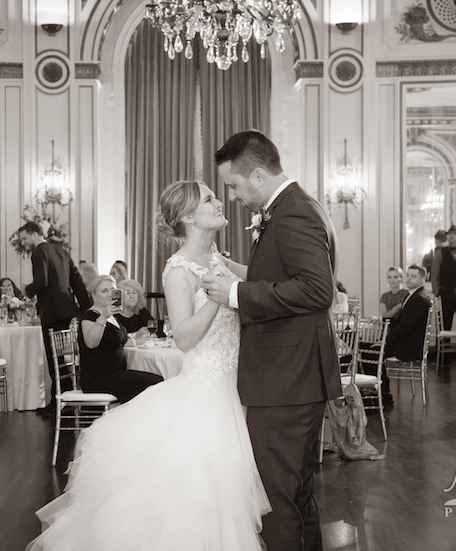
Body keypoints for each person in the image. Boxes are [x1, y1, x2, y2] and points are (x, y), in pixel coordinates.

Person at [26, 180, 268, 551]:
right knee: (204, 493)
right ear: (188, 216)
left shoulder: (217, 257)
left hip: (235, 383)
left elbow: (259, 277)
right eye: (209, 199)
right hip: (208, 393)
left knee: (226, 491)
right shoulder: (178, 271)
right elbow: (185, 338)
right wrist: (217, 299)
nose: (220, 202)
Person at [203, 130, 341, 551]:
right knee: (294, 492)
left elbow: (319, 290)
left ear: (258, 175)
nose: (233, 196)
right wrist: (237, 271)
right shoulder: (287, 207)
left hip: (287, 379)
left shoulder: (292, 212)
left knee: (277, 497)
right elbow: (285, 277)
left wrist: (235, 294)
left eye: (234, 185)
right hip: (291, 376)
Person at [17, 222, 90, 416]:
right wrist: (87, 309)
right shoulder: (61, 251)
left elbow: (41, 283)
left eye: (24, 238)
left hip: (52, 312)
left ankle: (60, 401)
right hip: (66, 311)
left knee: (54, 359)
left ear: (35, 235)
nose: (23, 243)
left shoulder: (39, 252)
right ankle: (61, 398)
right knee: (60, 358)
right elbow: (76, 280)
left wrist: (27, 290)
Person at [77, 275, 163, 403]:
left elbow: (119, 341)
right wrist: (103, 317)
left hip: (116, 373)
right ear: (94, 296)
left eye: (112, 290)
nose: (108, 294)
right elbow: (91, 343)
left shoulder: (113, 316)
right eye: (103, 291)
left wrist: (139, 339)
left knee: (156, 381)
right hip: (98, 377)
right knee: (157, 383)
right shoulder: (90, 316)